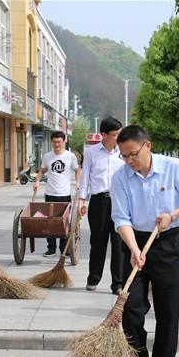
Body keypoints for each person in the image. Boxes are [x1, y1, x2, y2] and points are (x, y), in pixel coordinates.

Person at [111, 125, 179, 357]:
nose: (129, 161)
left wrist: (173, 214)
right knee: (131, 308)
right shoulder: (120, 178)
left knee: (167, 311)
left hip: (167, 243)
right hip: (134, 243)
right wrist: (132, 248)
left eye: (133, 154)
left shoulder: (173, 167)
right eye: (124, 156)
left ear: (147, 146)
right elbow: (121, 218)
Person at [77, 117, 126, 294]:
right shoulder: (91, 152)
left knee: (119, 242)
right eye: (115, 135)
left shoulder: (123, 152)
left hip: (120, 202)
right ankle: (93, 278)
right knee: (98, 242)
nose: (118, 138)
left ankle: (118, 284)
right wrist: (81, 200)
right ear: (103, 135)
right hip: (99, 201)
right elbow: (85, 179)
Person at [33, 131, 81, 256]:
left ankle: (63, 248)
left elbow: (77, 170)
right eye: (54, 142)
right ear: (52, 142)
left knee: (64, 221)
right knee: (50, 221)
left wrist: (77, 183)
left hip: (64, 194)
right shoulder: (47, 156)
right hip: (50, 193)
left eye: (59, 142)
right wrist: (37, 181)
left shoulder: (70, 156)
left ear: (64, 141)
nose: (57, 144)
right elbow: (42, 170)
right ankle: (51, 248)